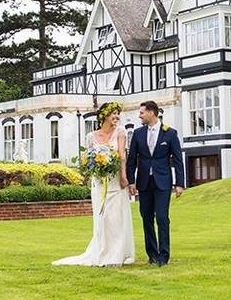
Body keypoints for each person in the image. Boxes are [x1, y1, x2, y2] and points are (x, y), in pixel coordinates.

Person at [53, 102, 134, 267]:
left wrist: (124, 177)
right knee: (102, 218)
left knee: (116, 218)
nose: (116, 117)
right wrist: (91, 174)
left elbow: (122, 156)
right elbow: (87, 159)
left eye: (118, 114)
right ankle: (101, 251)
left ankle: (116, 254)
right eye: (114, 114)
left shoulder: (120, 132)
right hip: (98, 183)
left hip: (115, 182)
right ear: (104, 115)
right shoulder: (91, 136)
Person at [127, 100, 185, 266]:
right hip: (144, 182)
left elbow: (178, 160)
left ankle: (163, 255)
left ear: (152, 113)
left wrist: (179, 183)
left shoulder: (170, 134)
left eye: (142, 113)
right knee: (146, 218)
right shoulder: (137, 134)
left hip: (163, 182)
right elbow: (131, 160)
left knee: (161, 217)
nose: (139, 115)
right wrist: (131, 182)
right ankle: (152, 254)